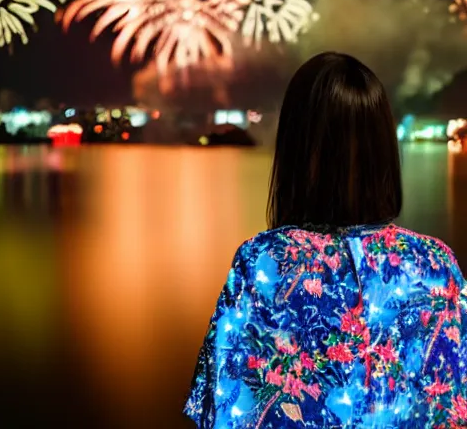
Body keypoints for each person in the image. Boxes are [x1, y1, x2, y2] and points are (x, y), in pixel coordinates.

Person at [184, 52, 467, 428]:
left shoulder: (266, 262)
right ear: (384, 149)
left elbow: (223, 408)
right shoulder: (436, 264)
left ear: (295, 150)